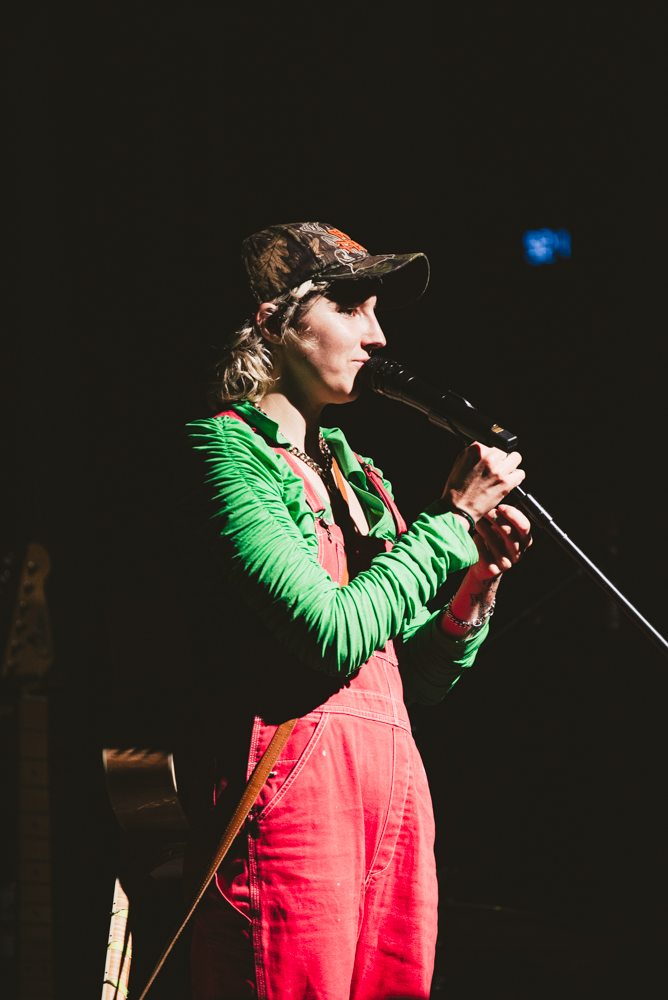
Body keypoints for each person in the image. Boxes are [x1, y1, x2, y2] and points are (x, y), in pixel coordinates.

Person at [175, 221, 531, 1000]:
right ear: (274, 320)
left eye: (378, 312)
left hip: (394, 790)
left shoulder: (360, 477)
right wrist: (448, 526)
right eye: (351, 307)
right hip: (295, 792)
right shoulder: (225, 451)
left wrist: (475, 586)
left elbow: (421, 680)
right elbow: (330, 634)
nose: (376, 336)